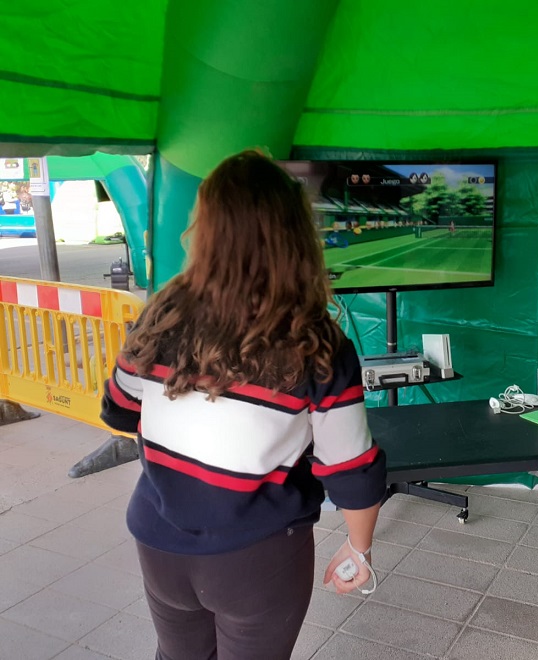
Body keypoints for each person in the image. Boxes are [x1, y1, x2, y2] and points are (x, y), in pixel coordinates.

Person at [100, 150, 386, 660]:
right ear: (295, 233)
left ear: (205, 229)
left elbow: (119, 408)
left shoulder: (160, 313)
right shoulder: (317, 341)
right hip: (257, 559)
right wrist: (359, 549)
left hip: (158, 543)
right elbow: (351, 467)